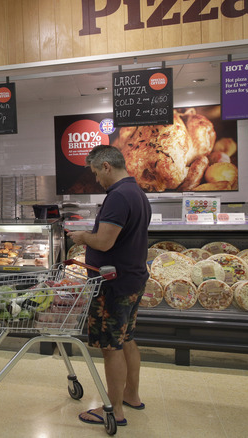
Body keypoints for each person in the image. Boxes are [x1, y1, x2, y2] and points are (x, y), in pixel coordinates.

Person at [66, 145, 151, 428]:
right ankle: (131, 395)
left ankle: (114, 411)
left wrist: (82, 237)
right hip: (133, 278)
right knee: (126, 339)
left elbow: (104, 242)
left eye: (95, 173)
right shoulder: (137, 192)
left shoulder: (117, 196)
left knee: (110, 347)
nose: (96, 179)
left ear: (106, 166)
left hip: (112, 284)